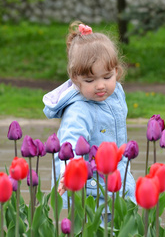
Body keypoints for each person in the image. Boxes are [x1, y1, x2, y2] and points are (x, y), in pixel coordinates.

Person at [43, 21, 136, 206]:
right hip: (92, 189)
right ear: (75, 79)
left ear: (116, 71)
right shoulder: (79, 110)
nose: (100, 85)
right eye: (90, 79)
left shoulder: (115, 92)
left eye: (107, 77)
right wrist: (68, 172)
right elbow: (69, 142)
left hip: (119, 177)